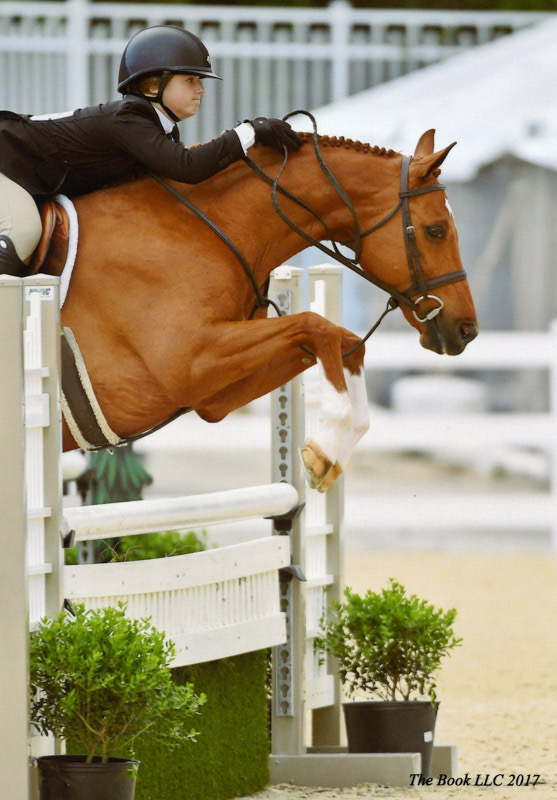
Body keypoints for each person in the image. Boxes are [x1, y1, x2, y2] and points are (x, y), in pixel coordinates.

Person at [0, 25, 303, 276]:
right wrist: (249, 131)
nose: (201, 90)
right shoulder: (129, 119)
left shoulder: (157, 128)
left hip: (28, 174)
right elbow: (188, 168)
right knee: (25, 230)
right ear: (151, 86)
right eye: (190, 80)